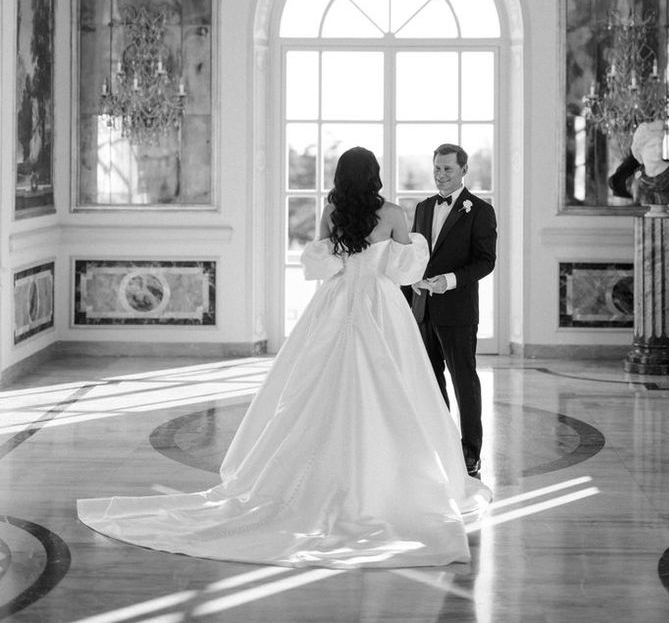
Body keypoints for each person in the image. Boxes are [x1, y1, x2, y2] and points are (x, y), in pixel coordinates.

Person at [77, 147, 490, 569]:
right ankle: (390, 480)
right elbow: (403, 273)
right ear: (375, 175)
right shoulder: (395, 214)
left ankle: (310, 481)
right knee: (396, 388)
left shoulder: (334, 210)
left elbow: (325, 261)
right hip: (381, 305)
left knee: (314, 389)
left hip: (336, 302)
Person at [403, 144, 497, 480]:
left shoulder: (481, 211)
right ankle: (442, 444)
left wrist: (451, 281)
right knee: (430, 382)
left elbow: (486, 261)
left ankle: (470, 453)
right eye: (437, 169)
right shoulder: (424, 208)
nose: (441, 175)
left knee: (464, 382)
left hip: (457, 310)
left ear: (463, 170)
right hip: (423, 309)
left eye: (448, 170)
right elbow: (416, 254)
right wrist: (411, 281)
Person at [608, 119, 669, 207]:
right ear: (640, 150)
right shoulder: (632, 181)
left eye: (660, 144)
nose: (658, 150)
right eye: (652, 146)